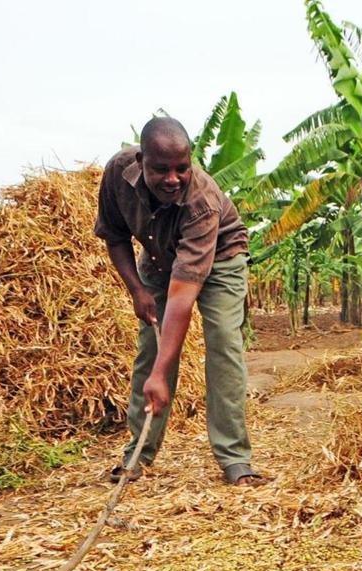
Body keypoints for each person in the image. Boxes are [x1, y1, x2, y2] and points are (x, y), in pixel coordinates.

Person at [94, 116, 263, 487]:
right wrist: (137, 289)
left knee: (222, 343)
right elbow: (116, 237)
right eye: (161, 170)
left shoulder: (201, 201)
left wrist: (162, 376)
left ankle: (235, 458)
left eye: (182, 168)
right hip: (158, 257)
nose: (173, 179)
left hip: (221, 256)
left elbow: (182, 298)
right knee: (149, 352)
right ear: (141, 163)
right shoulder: (118, 173)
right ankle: (138, 453)